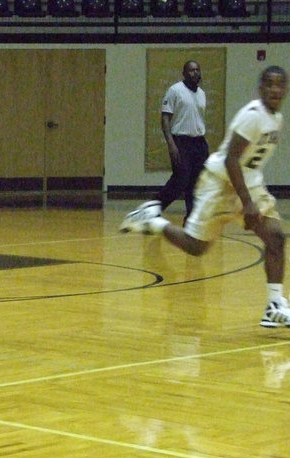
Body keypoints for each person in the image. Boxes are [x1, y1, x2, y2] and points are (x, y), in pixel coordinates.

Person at [120, 65, 290, 328]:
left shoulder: (276, 118)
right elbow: (232, 160)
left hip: (248, 182)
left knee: (276, 237)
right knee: (196, 247)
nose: (275, 89)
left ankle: (274, 304)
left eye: (280, 84)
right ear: (261, 88)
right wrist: (247, 202)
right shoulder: (253, 116)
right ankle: (152, 220)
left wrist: (250, 197)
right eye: (269, 84)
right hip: (221, 183)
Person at [155, 60, 209, 225]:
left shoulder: (202, 93)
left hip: (199, 142)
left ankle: (191, 218)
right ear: (184, 74)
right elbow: (165, 118)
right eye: (191, 70)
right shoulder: (175, 90)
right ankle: (152, 209)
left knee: (196, 182)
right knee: (180, 180)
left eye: (197, 70)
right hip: (181, 141)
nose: (195, 73)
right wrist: (171, 144)